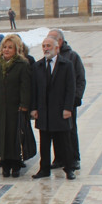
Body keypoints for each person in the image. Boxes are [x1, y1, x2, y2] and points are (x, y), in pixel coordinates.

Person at [30, 36, 77, 180]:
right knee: (44, 144)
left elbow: (71, 88)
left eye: (48, 46)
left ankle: (69, 168)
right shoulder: (37, 66)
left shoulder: (66, 65)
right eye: (44, 46)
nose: (45, 49)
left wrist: (68, 108)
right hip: (44, 112)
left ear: (57, 48)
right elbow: (34, 90)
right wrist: (34, 109)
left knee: (64, 142)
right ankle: (44, 169)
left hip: (60, 111)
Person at [0, 35, 31, 177]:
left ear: (16, 49)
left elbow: (26, 86)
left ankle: (15, 163)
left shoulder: (22, 65)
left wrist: (24, 104)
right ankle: (4, 162)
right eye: (4, 47)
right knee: (1, 134)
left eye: (10, 47)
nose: (6, 50)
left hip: (15, 108)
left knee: (14, 136)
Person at [48, 29, 85, 171]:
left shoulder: (72, 56)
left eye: (51, 40)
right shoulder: (50, 56)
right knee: (55, 131)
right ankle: (59, 158)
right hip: (53, 102)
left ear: (60, 41)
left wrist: (76, 97)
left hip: (68, 102)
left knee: (70, 130)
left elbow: (80, 79)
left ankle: (74, 158)